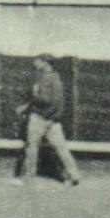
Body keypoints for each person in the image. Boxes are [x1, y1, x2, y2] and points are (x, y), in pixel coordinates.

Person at [15, 53, 81, 186]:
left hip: (40, 117)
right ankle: (74, 175)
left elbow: (44, 99)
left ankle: (28, 177)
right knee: (61, 148)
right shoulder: (56, 77)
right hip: (53, 119)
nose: (35, 64)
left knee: (31, 147)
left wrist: (33, 95)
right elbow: (55, 101)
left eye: (37, 61)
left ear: (45, 63)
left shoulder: (45, 78)